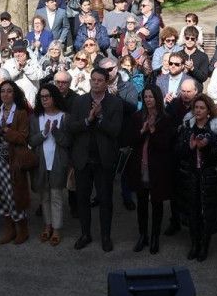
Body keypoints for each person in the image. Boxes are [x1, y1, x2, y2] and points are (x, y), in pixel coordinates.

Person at [69, 68, 124, 252]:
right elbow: (72, 127)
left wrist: (99, 119)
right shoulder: (79, 101)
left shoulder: (115, 103)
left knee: (105, 199)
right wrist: (87, 120)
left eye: (100, 80)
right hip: (83, 158)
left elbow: (116, 131)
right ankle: (85, 234)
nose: (96, 83)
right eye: (93, 79)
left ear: (106, 82)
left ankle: (106, 236)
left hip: (103, 159)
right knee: (82, 198)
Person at [124, 85, 176, 254]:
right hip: (140, 165)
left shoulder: (166, 119)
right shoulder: (137, 116)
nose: (148, 100)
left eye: (151, 97)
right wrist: (142, 131)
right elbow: (130, 140)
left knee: (157, 203)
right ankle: (142, 235)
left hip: (158, 167)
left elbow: (166, 146)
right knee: (141, 202)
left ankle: (155, 236)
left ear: (157, 98)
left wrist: (153, 131)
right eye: (145, 97)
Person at [175, 95, 217, 262]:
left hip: (209, 177)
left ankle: (204, 245)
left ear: (208, 111)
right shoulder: (187, 127)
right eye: (195, 107)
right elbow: (177, 150)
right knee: (193, 210)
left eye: (201, 108)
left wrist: (206, 149)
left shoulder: (215, 129)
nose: (197, 110)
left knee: (206, 211)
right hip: (190, 176)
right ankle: (194, 244)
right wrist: (189, 147)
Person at [0, 80, 33, 244]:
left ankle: (23, 230)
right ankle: (10, 230)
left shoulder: (20, 113)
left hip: (14, 159)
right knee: (3, 193)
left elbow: (23, 138)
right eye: (2, 91)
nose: (5, 94)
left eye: (9, 91)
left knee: (17, 194)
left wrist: (5, 130)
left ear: (15, 94)